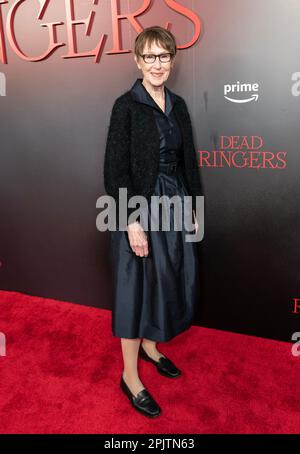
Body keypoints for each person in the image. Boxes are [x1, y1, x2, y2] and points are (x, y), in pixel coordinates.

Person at [104, 26, 203, 418]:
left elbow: (188, 160)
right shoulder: (125, 106)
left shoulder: (178, 104)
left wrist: (194, 206)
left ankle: (150, 347)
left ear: (172, 60)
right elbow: (115, 170)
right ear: (137, 61)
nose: (157, 64)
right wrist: (131, 222)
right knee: (134, 288)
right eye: (150, 57)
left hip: (174, 203)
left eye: (164, 56)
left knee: (164, 281)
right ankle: (130, 376)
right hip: (140, 209)